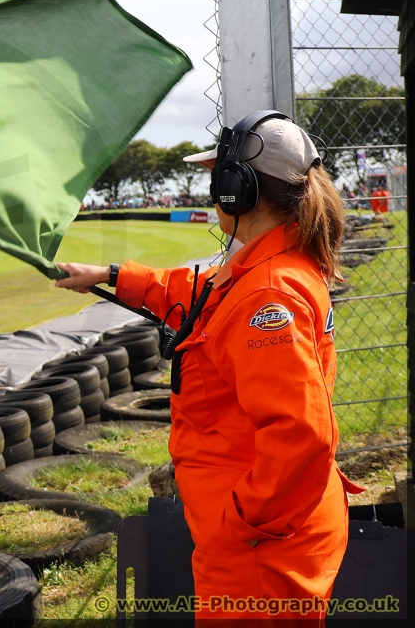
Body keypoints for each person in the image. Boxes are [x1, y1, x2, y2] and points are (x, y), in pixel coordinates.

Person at [55, 112, 360, 623]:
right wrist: (109, 275)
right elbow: (201, 296)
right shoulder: (266, 268)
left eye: (216, 176)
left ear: (238, 188)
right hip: (270, 532)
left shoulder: (268, 294)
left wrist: (238, 522)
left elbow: (302, 435)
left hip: (261, 546)